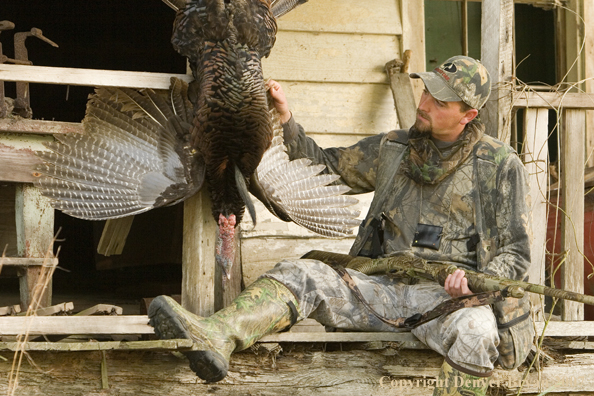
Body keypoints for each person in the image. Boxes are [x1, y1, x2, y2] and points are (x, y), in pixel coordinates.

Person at [148, 55, 534, 396]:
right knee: (301, 274)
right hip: (381, 291)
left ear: (468, 115)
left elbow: (515, 253)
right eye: (426, 91)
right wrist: (286, 119)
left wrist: (475, 280)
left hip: (448, 303)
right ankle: (216, 335)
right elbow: (326, 167)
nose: (425, 103)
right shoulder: (394, 148)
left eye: (440, 100)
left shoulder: (498, 165)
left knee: (479, 334)